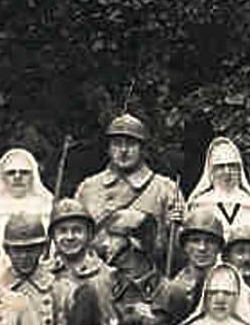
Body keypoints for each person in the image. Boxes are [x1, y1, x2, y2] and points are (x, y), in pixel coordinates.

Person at [74, 113, 184, 270]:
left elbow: (180, 255)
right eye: (117, 144)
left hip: (145, 284)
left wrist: (175, 230)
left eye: (131, 144)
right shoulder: (88, 189)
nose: (123, 150)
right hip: (94, 282)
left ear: (143, 149)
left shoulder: (165, 189)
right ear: (108, 149)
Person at [0, 212, 72, 325]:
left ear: (42, 248)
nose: (24, 256)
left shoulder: (61, 289)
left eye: (30, 249)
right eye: (17, 250)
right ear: (7, 250)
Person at [182, 137, 250, 276]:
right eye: (220, 167)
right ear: (211, 171)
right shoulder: (199, 205)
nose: (227, 172)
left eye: (232, 166)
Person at [154, 205, 226, 325]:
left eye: (209, 241)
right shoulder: (172, 289)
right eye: (195, 240)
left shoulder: (229, 284)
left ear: (219, 248)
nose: (202, 248)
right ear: (185, 246)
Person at [0, 148, 55, 250]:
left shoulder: (49, 207)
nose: (17, 177)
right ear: (3, 176)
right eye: (11, 173)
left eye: (24, 172)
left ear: (33, 175)